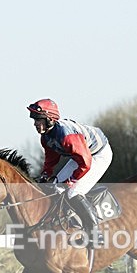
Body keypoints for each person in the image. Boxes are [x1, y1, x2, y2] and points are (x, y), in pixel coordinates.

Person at [27, 98, 113, 247]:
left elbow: (85, 163)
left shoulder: (67, 136)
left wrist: (72, 180)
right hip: (81, 155)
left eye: (38, 120)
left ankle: (95, 234)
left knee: (73, 192)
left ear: (49, 119)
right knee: (56, 187)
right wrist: (45, 174)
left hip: (97, 155)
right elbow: (51, 158)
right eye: (34, 120)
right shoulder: (46, 137)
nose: (35, 124)